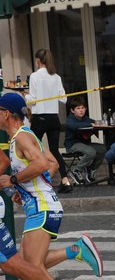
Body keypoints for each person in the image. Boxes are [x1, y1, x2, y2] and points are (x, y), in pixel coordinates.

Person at [0, 93, 103, 280]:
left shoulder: (22, 137)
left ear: (6, 113)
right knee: (26, 265)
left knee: (30, 267)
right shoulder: (24, 136)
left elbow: (42, 165)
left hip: (42, 208)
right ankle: (75, 252)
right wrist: (23, 189)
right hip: (44, 205)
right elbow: (52, 163)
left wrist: (14, 179)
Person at [24, 48, 73, 194]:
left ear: (38, 60)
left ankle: (33, 180)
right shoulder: (56, 77)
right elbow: (63, 99)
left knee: (32, 149)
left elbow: (33, 101)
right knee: (54, 150)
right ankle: (65, 180)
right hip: (53, 118)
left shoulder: (34, 76)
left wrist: (24, 95)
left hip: (39, 118)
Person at [65, 97, 106, 184]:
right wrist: (91, 124)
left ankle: (91, 169)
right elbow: (75, 126)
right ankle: (76, 170)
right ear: (72, 110)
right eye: (78, 108)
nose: (81, 110)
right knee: (91, 152)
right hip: (72, 145)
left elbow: (95, 122)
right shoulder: (70, 119)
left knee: (102, 149)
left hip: (85, 144)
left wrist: (100, 123)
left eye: (83, 108)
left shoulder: (85, 118)